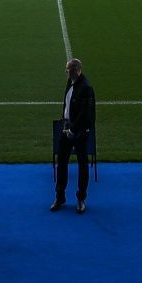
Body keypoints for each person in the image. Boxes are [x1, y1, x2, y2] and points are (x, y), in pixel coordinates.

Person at [52, 56, 96, 212]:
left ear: (77, 70)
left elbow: (86, 114)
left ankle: (81, 198)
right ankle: (59, 196)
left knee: (83, 166)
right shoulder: (71, 83)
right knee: (61, 162)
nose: (67, 73)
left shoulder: (86, 88)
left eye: (69, 70)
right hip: (67, 128)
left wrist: (73, 129)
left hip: (79, 132)